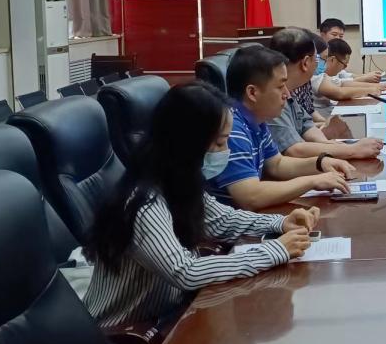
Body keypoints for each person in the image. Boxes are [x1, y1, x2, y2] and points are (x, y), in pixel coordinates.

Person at [83, 82, 321, 329]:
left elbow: (223, 221)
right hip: (124, 337)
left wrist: (280, 223)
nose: (225, 151)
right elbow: (186, 272)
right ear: (187, 144)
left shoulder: (179, 182)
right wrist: (274, 251)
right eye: (219, 143)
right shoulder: (143, 204)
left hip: (169, 317)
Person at [208, 45, 357, 210]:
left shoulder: (256, 119)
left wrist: (321, 162)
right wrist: (312, 181)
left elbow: (277, 164)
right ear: (252, 93)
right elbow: (250, 196)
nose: (287, 94)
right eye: (280, 87)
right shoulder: (232, 129)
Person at [267, 28, 383, 160]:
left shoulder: (290, 91)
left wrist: (328, 144)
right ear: (305, 63)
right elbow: (293, 150)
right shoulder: (272, 97)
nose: (320, 64)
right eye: (317, 58)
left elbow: (306, 125)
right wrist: (351, 150)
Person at [311, 37, 386, 119]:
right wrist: (370, 90)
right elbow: (340, 93)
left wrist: (375, 87)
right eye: (324, 58)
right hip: (325, 118)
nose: (319, 62)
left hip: (327, 117)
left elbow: (342, 83)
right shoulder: (314, 77)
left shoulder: (321, 75)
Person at [319, 17, 381, 83]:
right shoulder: (317, 56)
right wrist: (364, 78)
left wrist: (366, 76)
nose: (338, 38)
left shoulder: (335, 52)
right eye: (334, 35)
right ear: (322, 35)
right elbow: (332, 83)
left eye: (341, 36)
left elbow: (342, 74)